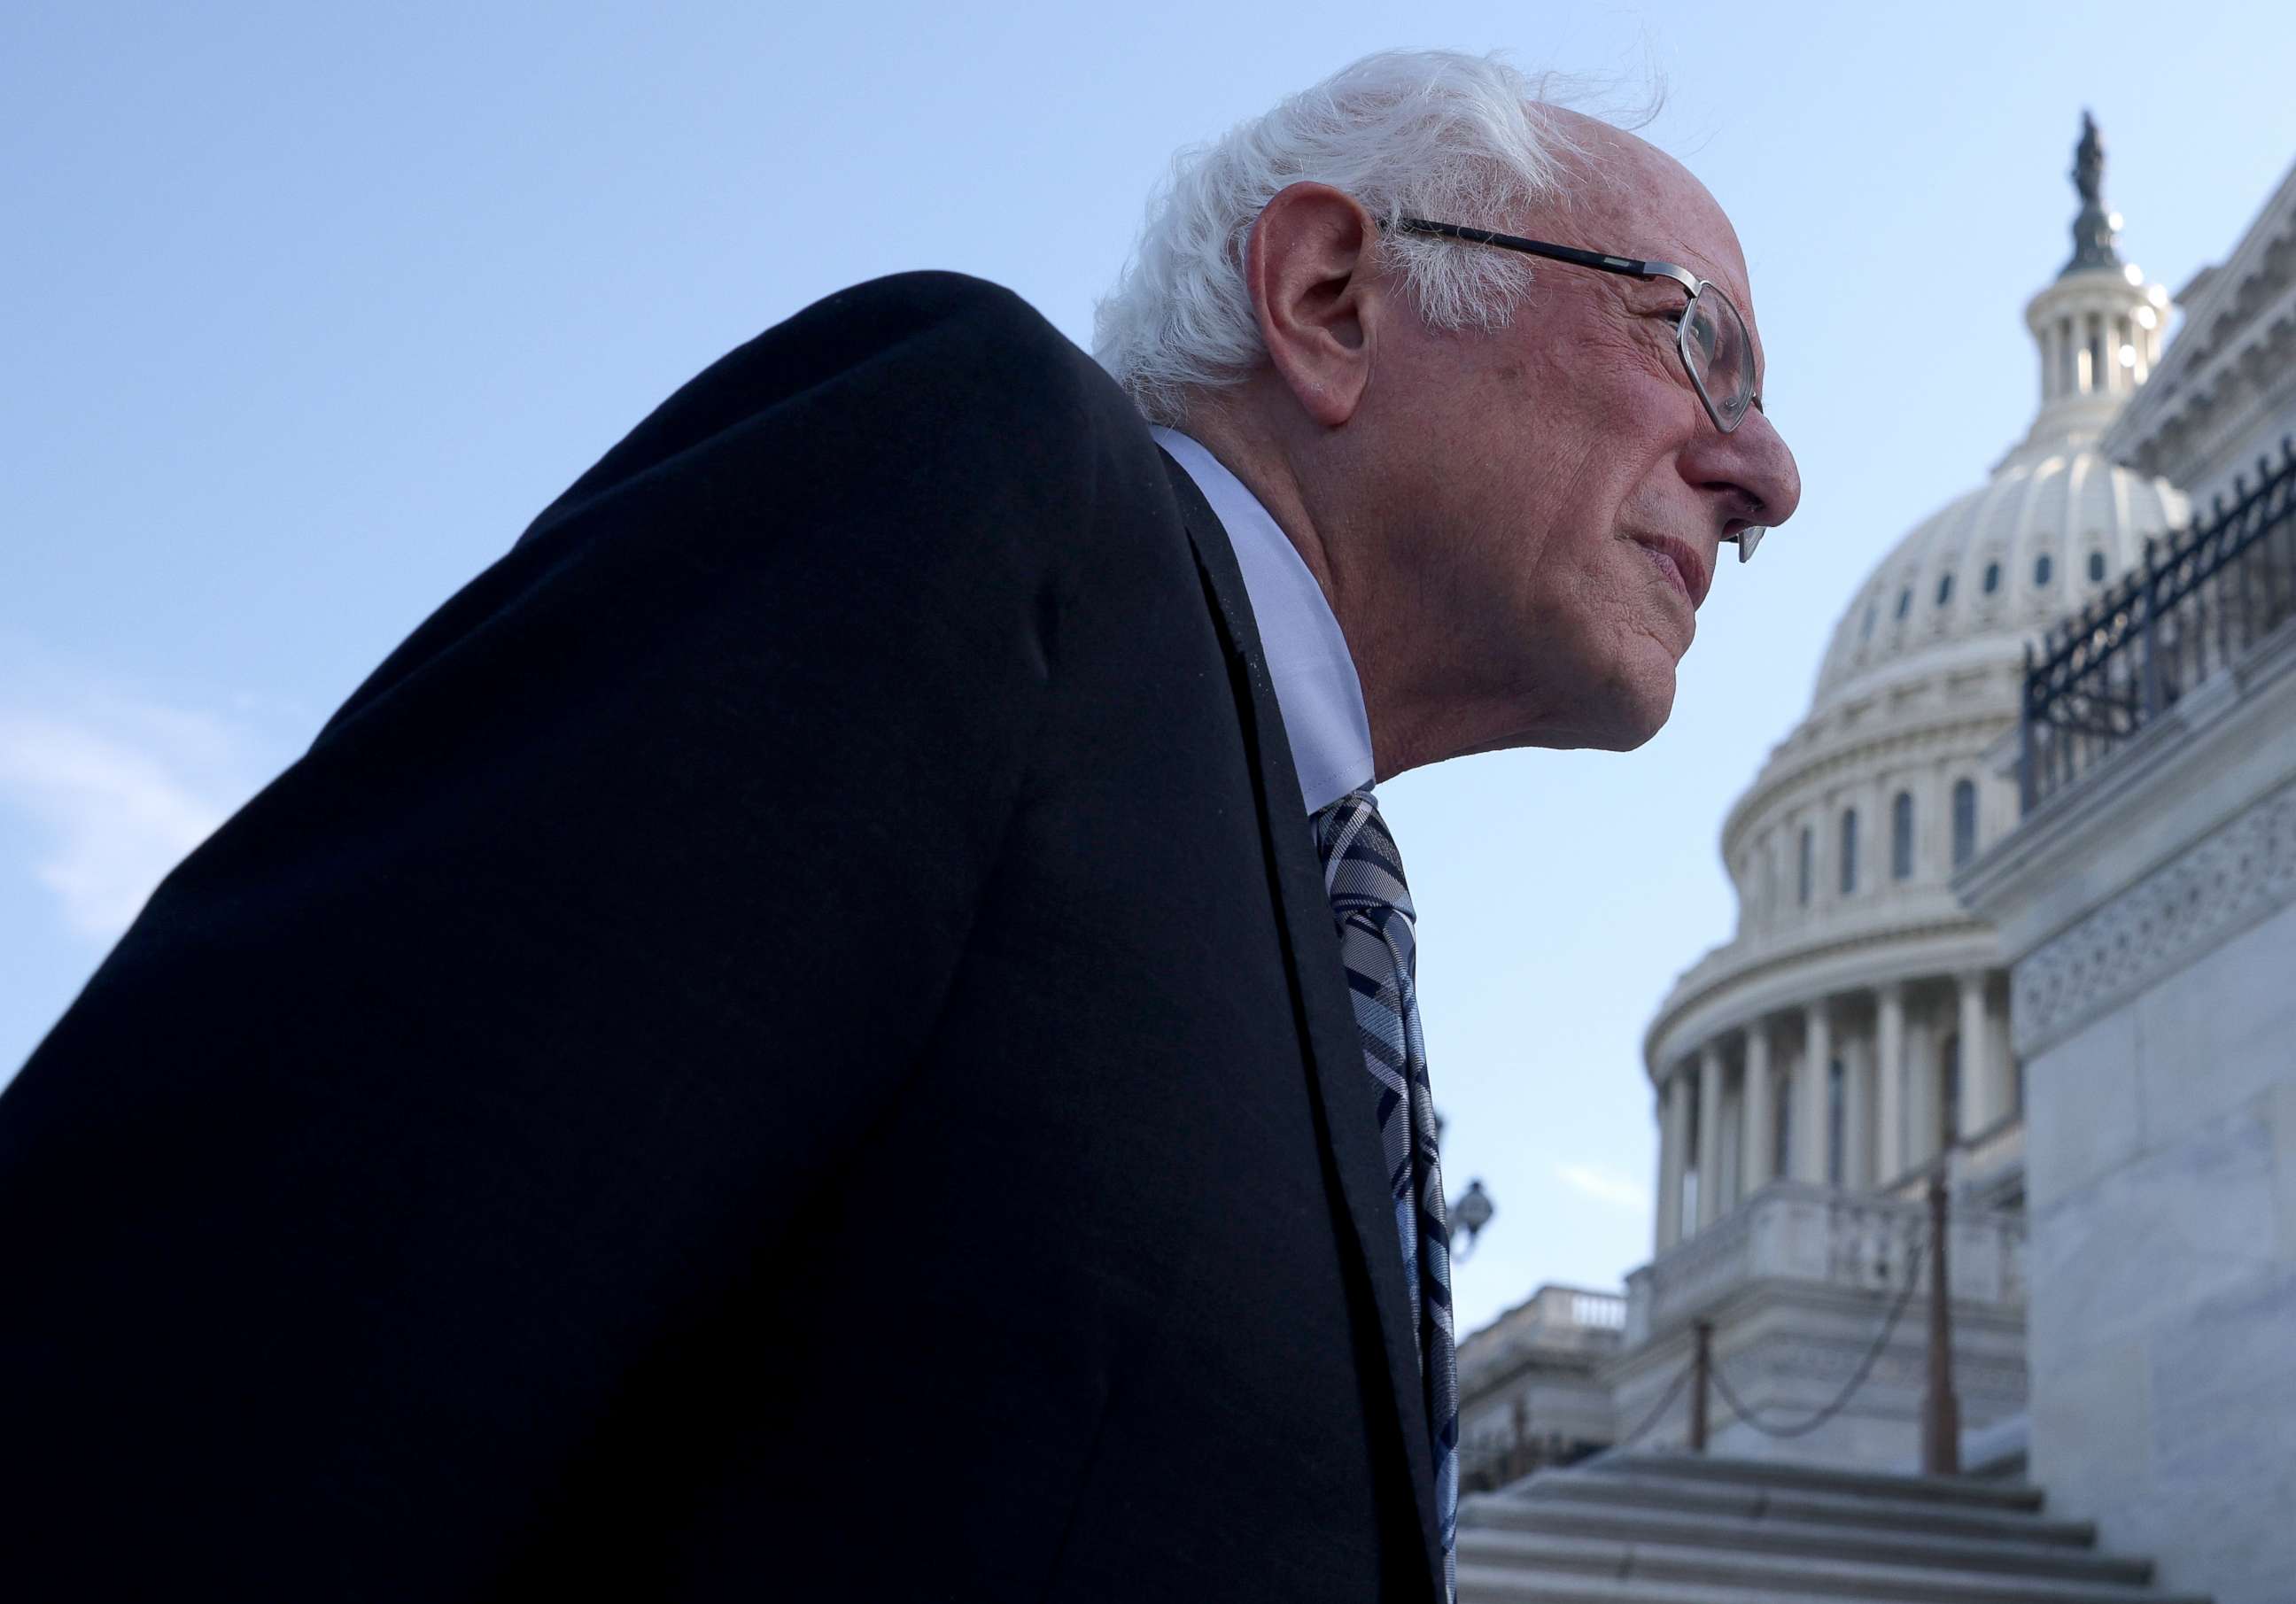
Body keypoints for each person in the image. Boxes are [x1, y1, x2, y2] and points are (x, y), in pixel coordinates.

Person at [0, 49, 1797, 1602]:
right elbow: (227, 1334)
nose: (1769, 475)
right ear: (1331, 295)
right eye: (1694, 342)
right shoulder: (980, 478)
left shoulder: (1301, 901)